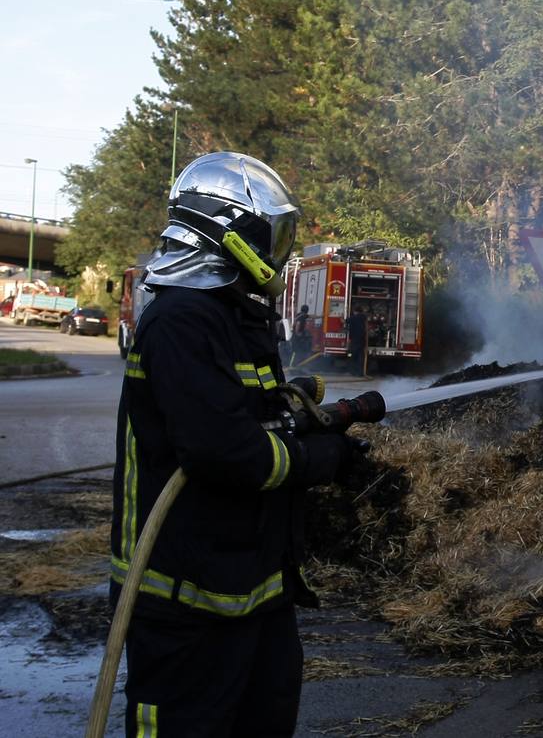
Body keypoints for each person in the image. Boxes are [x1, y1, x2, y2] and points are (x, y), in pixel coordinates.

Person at [111, 152, 358, 736]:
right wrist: (317, 460)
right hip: (183, 596)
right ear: (229, 230)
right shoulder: (182, 318)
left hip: (251, 587)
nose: (278, 248)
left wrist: (291, 403)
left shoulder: (232, 312)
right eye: (271, 232)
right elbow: (220, 449)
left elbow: (236, 412)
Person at [345, 304, 367, 375]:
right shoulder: (364, 317)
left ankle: (351, 371)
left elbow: (345, 321)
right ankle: (360, 372)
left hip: (354, 341)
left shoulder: (354, 317)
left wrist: (341, 318)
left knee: (351, 355)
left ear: (355, 311)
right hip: (362, 341)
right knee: (360, 357)